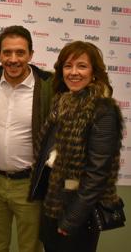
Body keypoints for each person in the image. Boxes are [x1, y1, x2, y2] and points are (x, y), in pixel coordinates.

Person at [29, 41, 123, 252]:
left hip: (77, 213)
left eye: (81, 66)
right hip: (53, 204)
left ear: (94, 72)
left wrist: (72, 218)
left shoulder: (103, 110)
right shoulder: (62, 102)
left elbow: (97, 174)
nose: (74, 72)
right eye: (68, 66)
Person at [0, 25, 53, 252]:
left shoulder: (48, 86)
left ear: (31, 54)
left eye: (20, 52)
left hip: (30, 185)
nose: (13, 59)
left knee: (30, 248)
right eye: (7, 52)